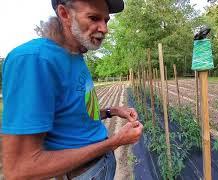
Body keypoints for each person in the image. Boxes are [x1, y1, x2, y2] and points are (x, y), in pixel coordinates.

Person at [1, 0, 143, 179]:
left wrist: (113, 111)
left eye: (106, 20)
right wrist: (115, 142)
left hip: (100, 165)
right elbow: (20, 169)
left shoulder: (75, 54)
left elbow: (74, 115)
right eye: (93, 17)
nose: (104, 28)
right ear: (64, 14)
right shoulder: (34, 60)